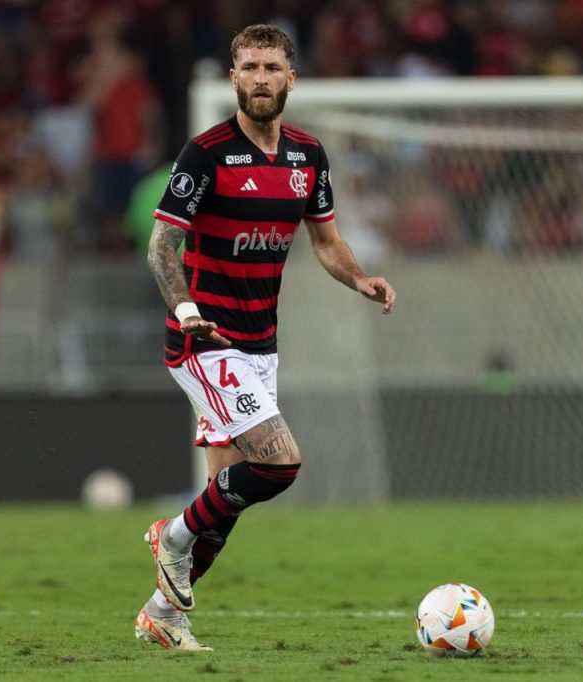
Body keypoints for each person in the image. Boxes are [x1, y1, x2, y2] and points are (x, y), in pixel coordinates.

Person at [134, 23, 396, 651]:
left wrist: (359, 278)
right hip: (202, 339)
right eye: (249, 68)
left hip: (258, 345)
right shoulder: (207, 153)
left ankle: (162, 618)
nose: (260, 79)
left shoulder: (308, 157)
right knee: (279, 464)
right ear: (233, 78)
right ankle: (168, 536)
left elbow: (326, 242)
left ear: (290, 78)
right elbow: (161, 244)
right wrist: (188, 306)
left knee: (224, 508)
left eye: (271, 68)